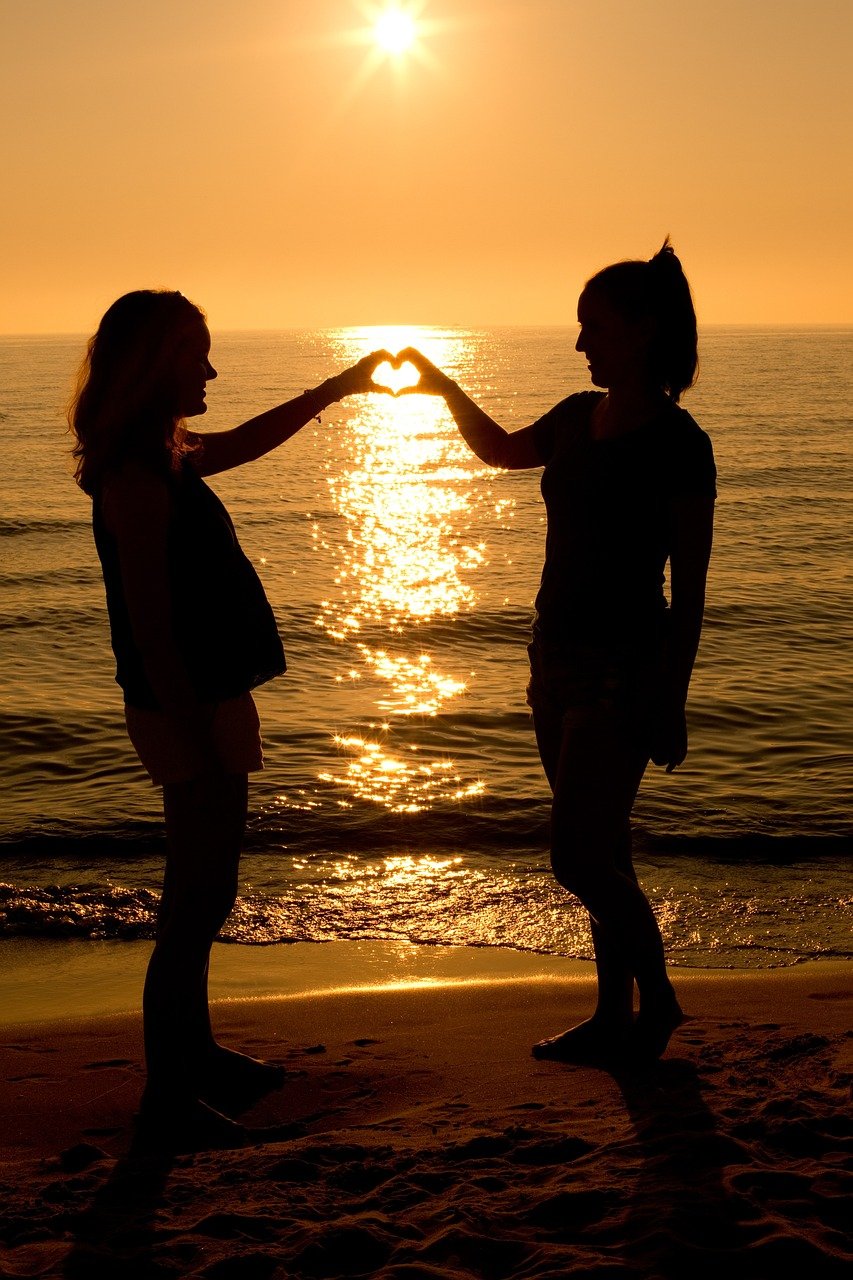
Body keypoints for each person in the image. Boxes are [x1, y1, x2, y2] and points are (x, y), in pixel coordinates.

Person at [69, 289, 391, 1146]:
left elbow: (245, 442)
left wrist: (339, 388)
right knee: (192, 903)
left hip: (208, 698)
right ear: (152, 364)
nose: (210, 368)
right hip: (186, 707)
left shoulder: (162, 454)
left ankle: (198, 1055)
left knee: (209, 895)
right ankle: (168, 1098)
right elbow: (149, 626)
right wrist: (193, 734)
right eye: (194, 352)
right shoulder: (134, 478)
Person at [396, 240, 716, 1064]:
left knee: (576, 856)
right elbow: (501, 450)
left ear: (643, 332)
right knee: (603, 852)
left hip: (623, 666)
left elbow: (690, 591)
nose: (581, 345)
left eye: (594, 329)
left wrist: (669, 700)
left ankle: (663, 1002)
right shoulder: (579, 415)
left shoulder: (680, 445)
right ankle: (615, 1015)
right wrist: (440, 387)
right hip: (555, 657)